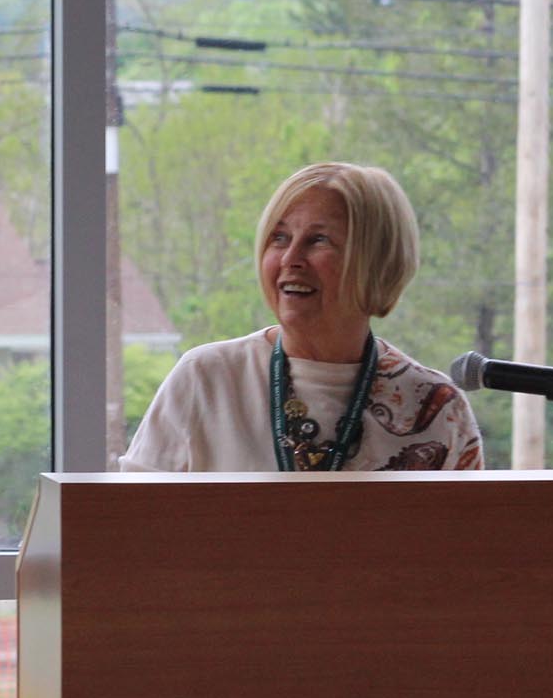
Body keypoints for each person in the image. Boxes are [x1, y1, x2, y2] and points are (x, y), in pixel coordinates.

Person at [120, 162, 484, 472]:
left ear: (377, 262)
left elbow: (471, 551)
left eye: (319, 240)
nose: (290, 259)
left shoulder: (439, 410)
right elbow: (126, 531)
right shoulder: (206, 378)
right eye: (279, 238)